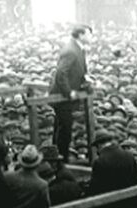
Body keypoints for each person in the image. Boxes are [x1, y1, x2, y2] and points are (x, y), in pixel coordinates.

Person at [49, 24, 93, 161]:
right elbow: (61, 74)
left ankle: (56, 157)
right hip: (62, 96)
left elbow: (77, 72)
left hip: (65, 95)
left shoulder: (79, 49)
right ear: (80, 35)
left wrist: (86, 81)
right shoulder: (71, 50)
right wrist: (69, 93)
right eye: (89, 33)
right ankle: (60, 160)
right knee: (64, 129)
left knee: (61, 127)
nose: (91, 37)